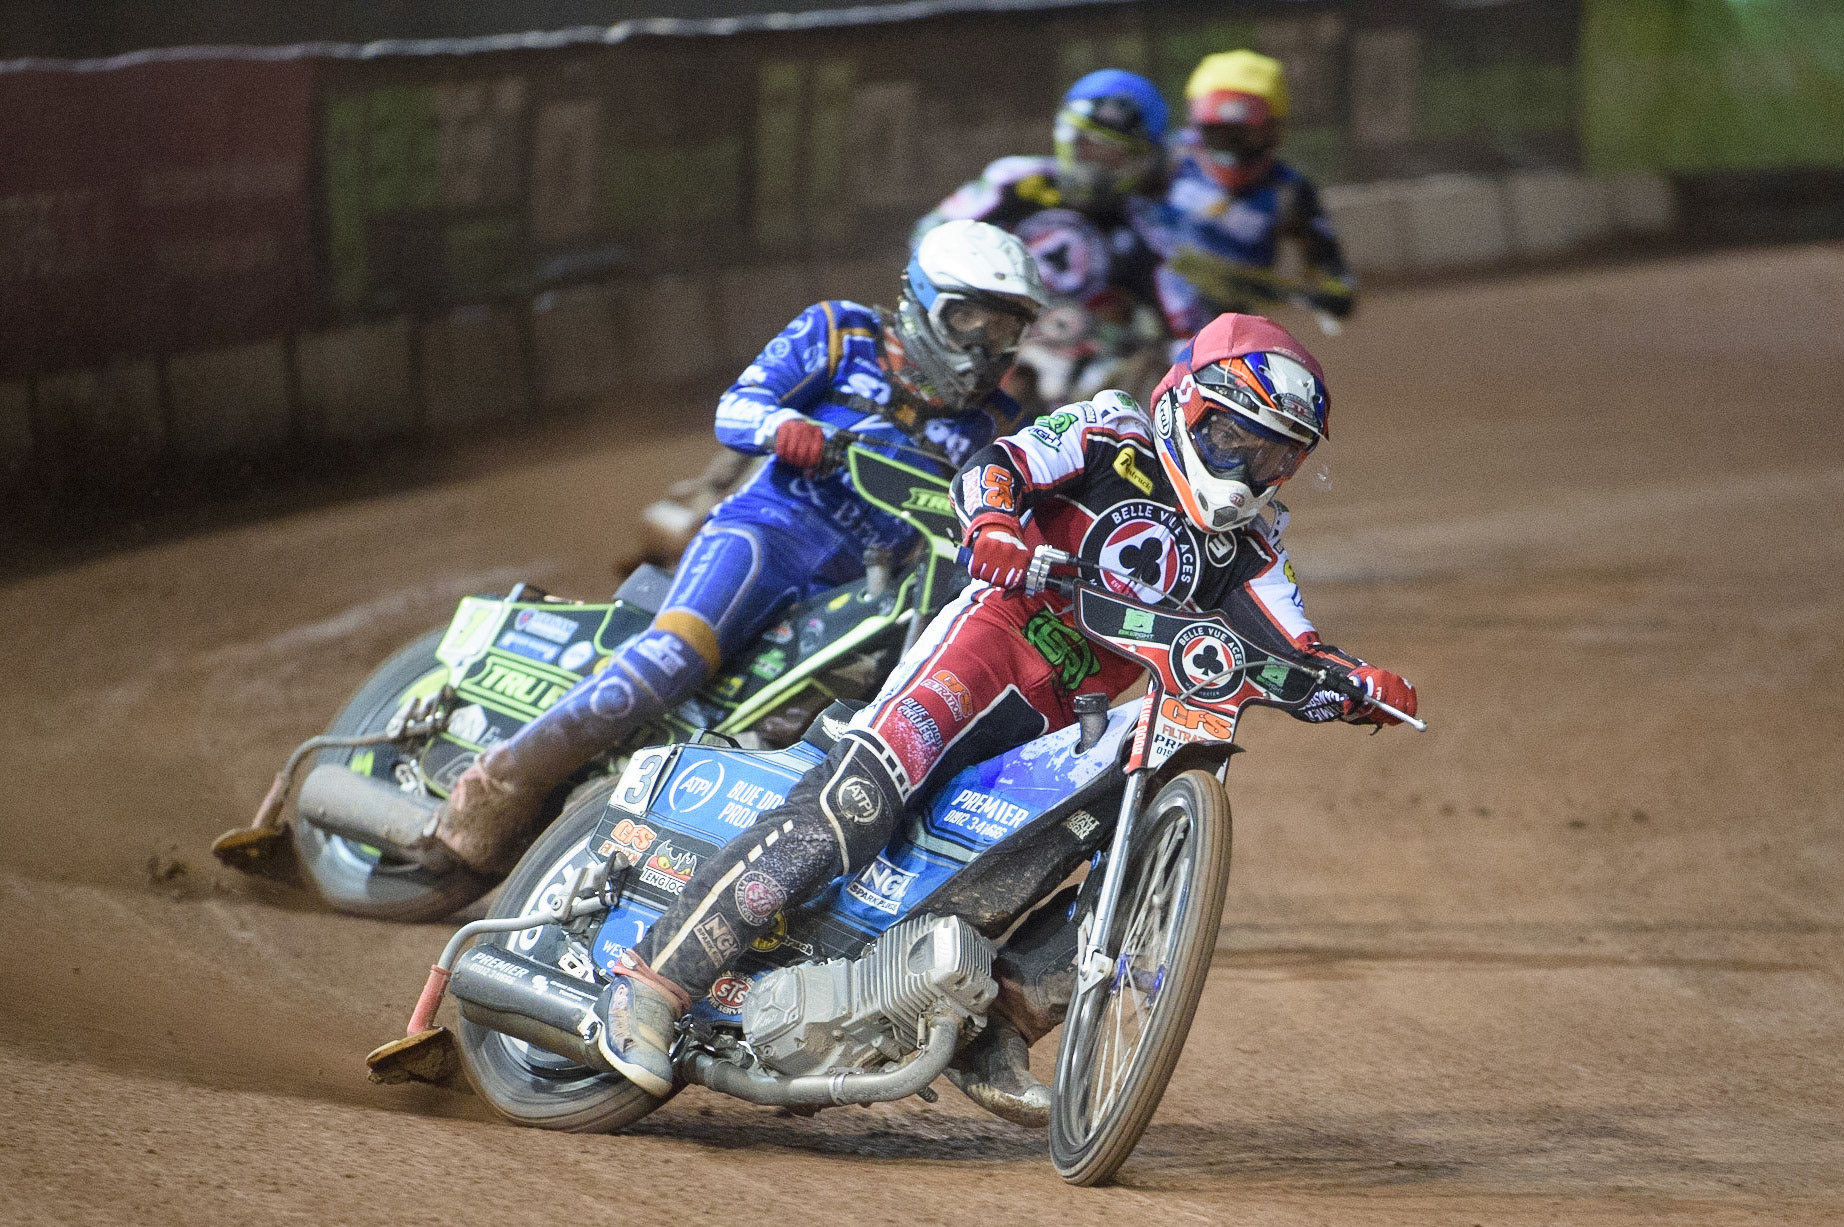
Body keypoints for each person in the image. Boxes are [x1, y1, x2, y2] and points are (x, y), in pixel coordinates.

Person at [593, 312, 1417, 1122]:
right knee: (859, 802)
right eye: (1235, 438)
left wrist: (1355, 684)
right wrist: (993, 521)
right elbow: (999, 463)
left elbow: (1295, 644)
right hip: (988, 641)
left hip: (1074, 711)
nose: (1248, 467)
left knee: (1106, 845)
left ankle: (995, 1030)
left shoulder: (1257, 544)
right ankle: (654, 982)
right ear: (1186, 403)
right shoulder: (1110, 431)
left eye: (1275, 455)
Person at [427, 220, 1049, 874]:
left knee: (846, 724)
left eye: (1006, 328)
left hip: (863, 593)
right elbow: (738, 406)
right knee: (671, 660)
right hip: (765, 534)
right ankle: (490, 788)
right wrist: (785, 426)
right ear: (923, 299)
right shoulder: (842, 333)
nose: (985, 345)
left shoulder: (997, 425)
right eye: (971, 318)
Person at [914, 69, 1177, 343]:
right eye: (1087, 143)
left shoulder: (1147, 227)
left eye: (1114, 152)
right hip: (985, 334)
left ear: (1143, 160)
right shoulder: (1015, 180)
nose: (1095, 160)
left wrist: (1119, 326)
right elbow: (928, 236)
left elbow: (1170, 321)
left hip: (1087, 360)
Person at [1155, 50, 1357, 334]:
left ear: (1274, 131)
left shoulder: (1288, 191)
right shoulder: (1168, 162)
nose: (1230, 150)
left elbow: (1338, 287)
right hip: (1145, 311)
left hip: (1220, 330)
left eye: (1244, 136)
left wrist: (1279, 288)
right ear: (1198, 128)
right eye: (1219, 135)